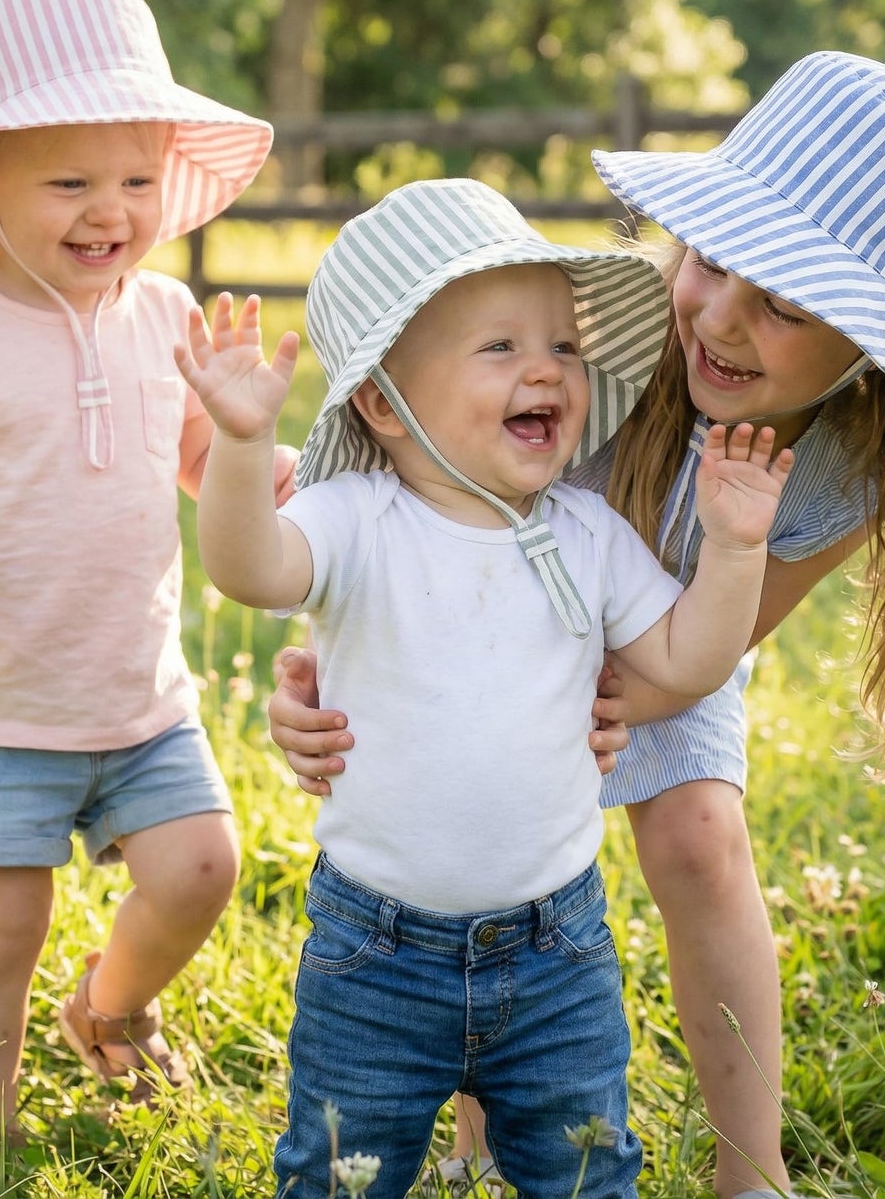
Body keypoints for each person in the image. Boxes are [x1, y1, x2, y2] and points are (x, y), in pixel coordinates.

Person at [267, 51, 885, 1198]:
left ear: (867, 344)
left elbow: (717, 642)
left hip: (672, 641)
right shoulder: (591, 344)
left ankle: (747, 1167)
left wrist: (606, 700)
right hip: (476, 625)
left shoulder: (853, 465)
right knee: (480, 837)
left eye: (784, 302)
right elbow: (422, 523)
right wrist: (329, 668)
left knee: (698, 839)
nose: (717, 313)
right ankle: (478, 1111)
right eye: (712, 258)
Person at [175, 176, 795, 1199]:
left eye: (560, 345)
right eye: (499, 347)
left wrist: (733, 550)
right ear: (380, 400)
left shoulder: (588, 536)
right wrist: (243, 447)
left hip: (556, 950)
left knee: (588, 1172)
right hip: (372, 953)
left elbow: (686, 662)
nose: (545, 368)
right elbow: (252, 568)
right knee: (336, 1173)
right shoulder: (353, 518)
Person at [0, 0, 289, 1145]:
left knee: (200, 867)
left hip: (137, 696)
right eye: (71, 180)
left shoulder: (165, 311)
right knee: (1, 929)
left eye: (138, 178)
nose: (112, 210)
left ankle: (110, 1003)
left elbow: (190, 450)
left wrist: (251, 465)